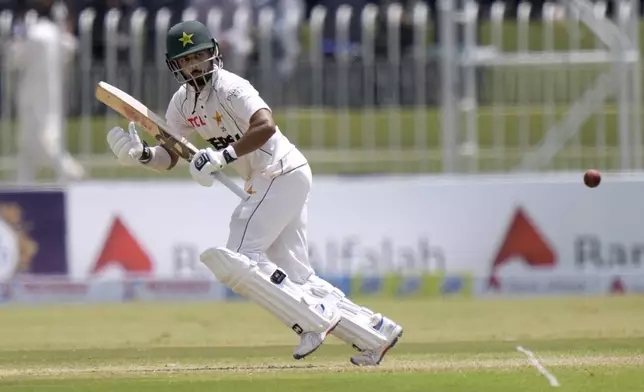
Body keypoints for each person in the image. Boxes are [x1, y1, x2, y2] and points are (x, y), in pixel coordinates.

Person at [106, 20, 402, 366]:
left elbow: (265, 126)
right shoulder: (182, 104)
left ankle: (314, 318)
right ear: (176, 66)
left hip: (279, 172)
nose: (195, 64)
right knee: (298, 276)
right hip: (268, 180)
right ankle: (375, 332)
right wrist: (142, 156)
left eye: (200, 55)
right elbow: (170, 155)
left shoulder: (231, 87)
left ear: (214, 53)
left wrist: (223, 156)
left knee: (240, 257)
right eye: (187, 60)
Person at [6, 0, 85, 183]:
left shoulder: (38, 30)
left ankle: (72, 173)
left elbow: (15, 57)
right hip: (41, 91)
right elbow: (69, 48)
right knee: (29, 142)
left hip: (41, 92)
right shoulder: (43, 27)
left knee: (44, 141)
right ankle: (22, 181)